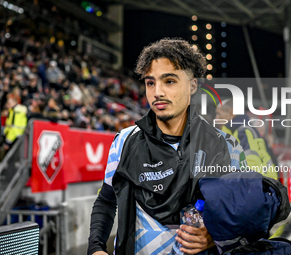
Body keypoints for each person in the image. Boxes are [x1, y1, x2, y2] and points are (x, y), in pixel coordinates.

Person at [87, 38, 280, 255]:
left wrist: (215, 236)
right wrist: (95, 248)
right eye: (151, 82)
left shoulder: (226, 146)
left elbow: (244, 219)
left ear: (192, 86)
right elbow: (106, 200)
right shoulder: (123, 141)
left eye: (169, 81)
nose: (157, 92)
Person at [215, 99, 278, 180]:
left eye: (218, 114)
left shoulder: (243, 132)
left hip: (258, 185)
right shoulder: (240, 131)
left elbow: (251, 162)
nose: (216, 119)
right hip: (263, 184)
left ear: (231, 113)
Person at [0, 96, 27, 160]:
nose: (7, 105)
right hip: (14, 137)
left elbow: (14, 128)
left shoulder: (16, 112)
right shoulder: (13, 111)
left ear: (14, 103)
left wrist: (7, 141)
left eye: (9, 103)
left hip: (15, 138)